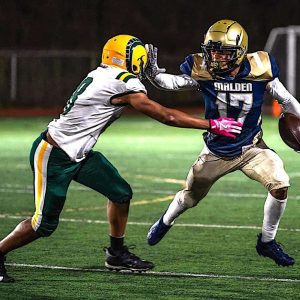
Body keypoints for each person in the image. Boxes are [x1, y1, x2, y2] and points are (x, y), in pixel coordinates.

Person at [0, 34, 242, 283]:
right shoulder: (122, 82)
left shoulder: (103, 73)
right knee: (44, 225)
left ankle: (116, 254)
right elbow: (165, 116)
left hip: (79, 154)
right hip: (55, 154)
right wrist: (212, 124)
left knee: (120, 193)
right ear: (133, 58)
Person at [146, 20, 300, 267]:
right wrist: (154, 76)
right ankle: (165, 221)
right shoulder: (204, 70)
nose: (215, 57)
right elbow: (174, 83)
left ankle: (267, 242)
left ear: (240, 52)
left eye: (223, 52)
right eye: (212, 51)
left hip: (252, 148)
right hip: (216, 151)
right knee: (189, 198)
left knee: (280, 184)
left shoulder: (260, 69)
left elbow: (287, 100)